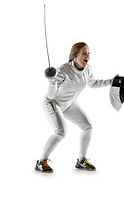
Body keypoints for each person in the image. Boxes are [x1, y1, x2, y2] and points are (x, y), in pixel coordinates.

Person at [35, 42, 118, 173]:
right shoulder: (63, 69)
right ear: (75, 55)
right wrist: (51, 81)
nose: (88, 56)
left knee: (88, 127)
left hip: (69, 103)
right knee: (60, 132)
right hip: (52, 103)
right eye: (84, 53)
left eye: (89, 53)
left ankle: (81, 161)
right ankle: (41, 162)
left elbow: (93, 84)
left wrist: (110, 81)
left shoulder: (88, 69)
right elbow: (51, 95)